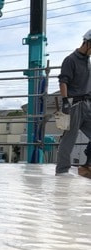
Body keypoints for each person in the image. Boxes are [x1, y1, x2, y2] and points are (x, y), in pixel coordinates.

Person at [56, 29, 91, 176]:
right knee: (69, 138)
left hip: (87, 104)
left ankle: (87, 165)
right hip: (74, 105)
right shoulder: (70, 60)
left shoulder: (88, 61)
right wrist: (65, 101)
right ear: (87, 43)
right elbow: (63, 81)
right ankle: (62, 170)